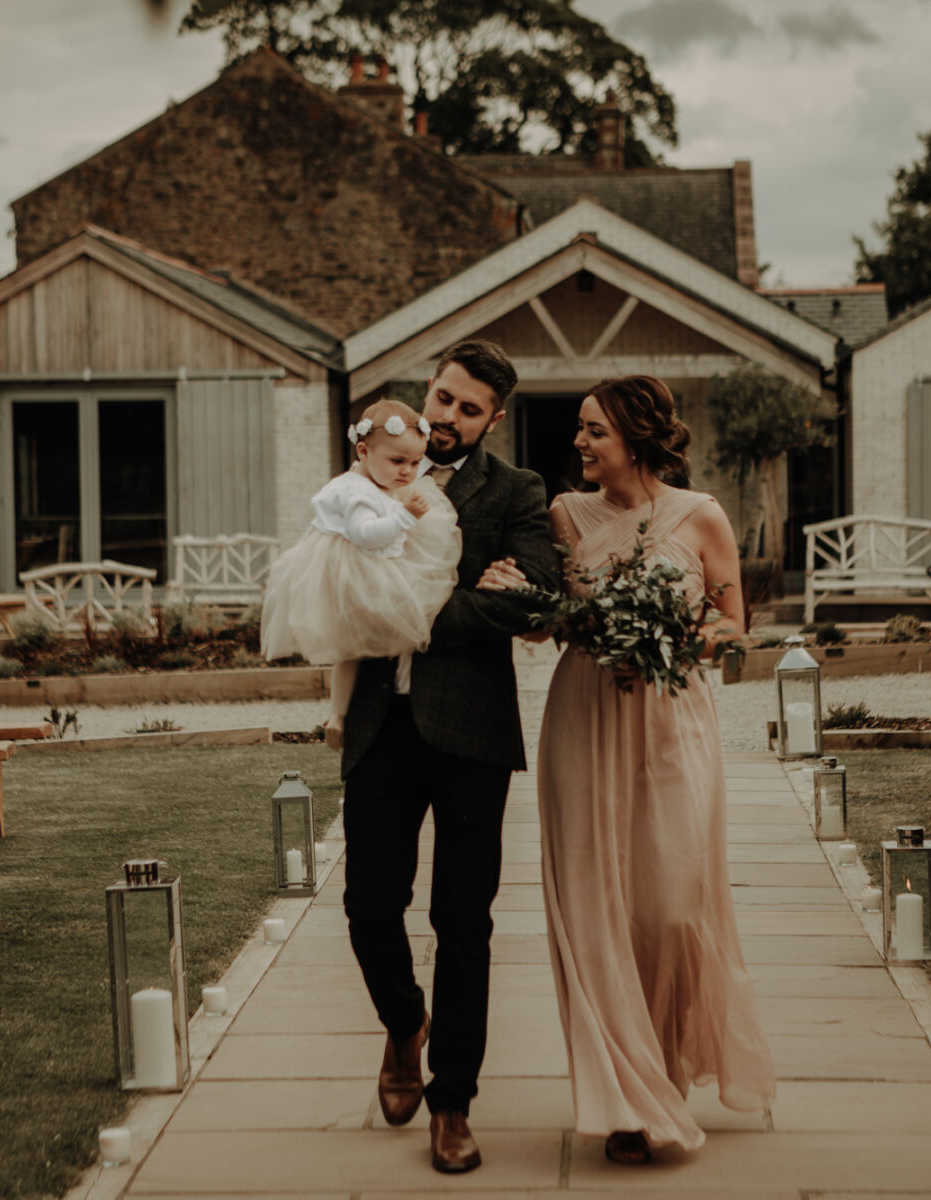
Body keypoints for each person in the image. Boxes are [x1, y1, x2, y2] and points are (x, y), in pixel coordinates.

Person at [517, 376, 773, 1163]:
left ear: (634, 435)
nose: (580, 443)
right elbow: (545, 619)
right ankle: (626, 1102)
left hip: (672, 721)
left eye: (594, 430)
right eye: (579, 431)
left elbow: (734, 628)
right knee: (596, 910)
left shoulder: (702, 517)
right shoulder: (565, 515)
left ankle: (660, 1066)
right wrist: (531, 604)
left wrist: (673, 636)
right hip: (585, 720)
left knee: (669, 906)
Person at [338, 341, 558, 1175]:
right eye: (443, 397)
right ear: (427, 390)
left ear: (492, 419)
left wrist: (428, 614)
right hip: (378, 727)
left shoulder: (516, 491)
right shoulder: (369, 468)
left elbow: (530, 594)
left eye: (469, 409)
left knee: (464, 924)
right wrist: (469, 595)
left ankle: (453, 1102)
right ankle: (404, 1024)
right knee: (368, 907)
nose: (446, 417)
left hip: (471, 734)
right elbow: (338, 573)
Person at [260, 398, 459, 749]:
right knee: (354, 646)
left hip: (373, 566)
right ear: (364, 451)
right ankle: (337, 714)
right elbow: (365, 534)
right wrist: (405, 517)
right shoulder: (355, 492)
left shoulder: (383, 484)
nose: (407, 472)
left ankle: (357, 705)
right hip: (356, 572)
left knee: (363, 647)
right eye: (397, 461)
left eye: (415, 462)